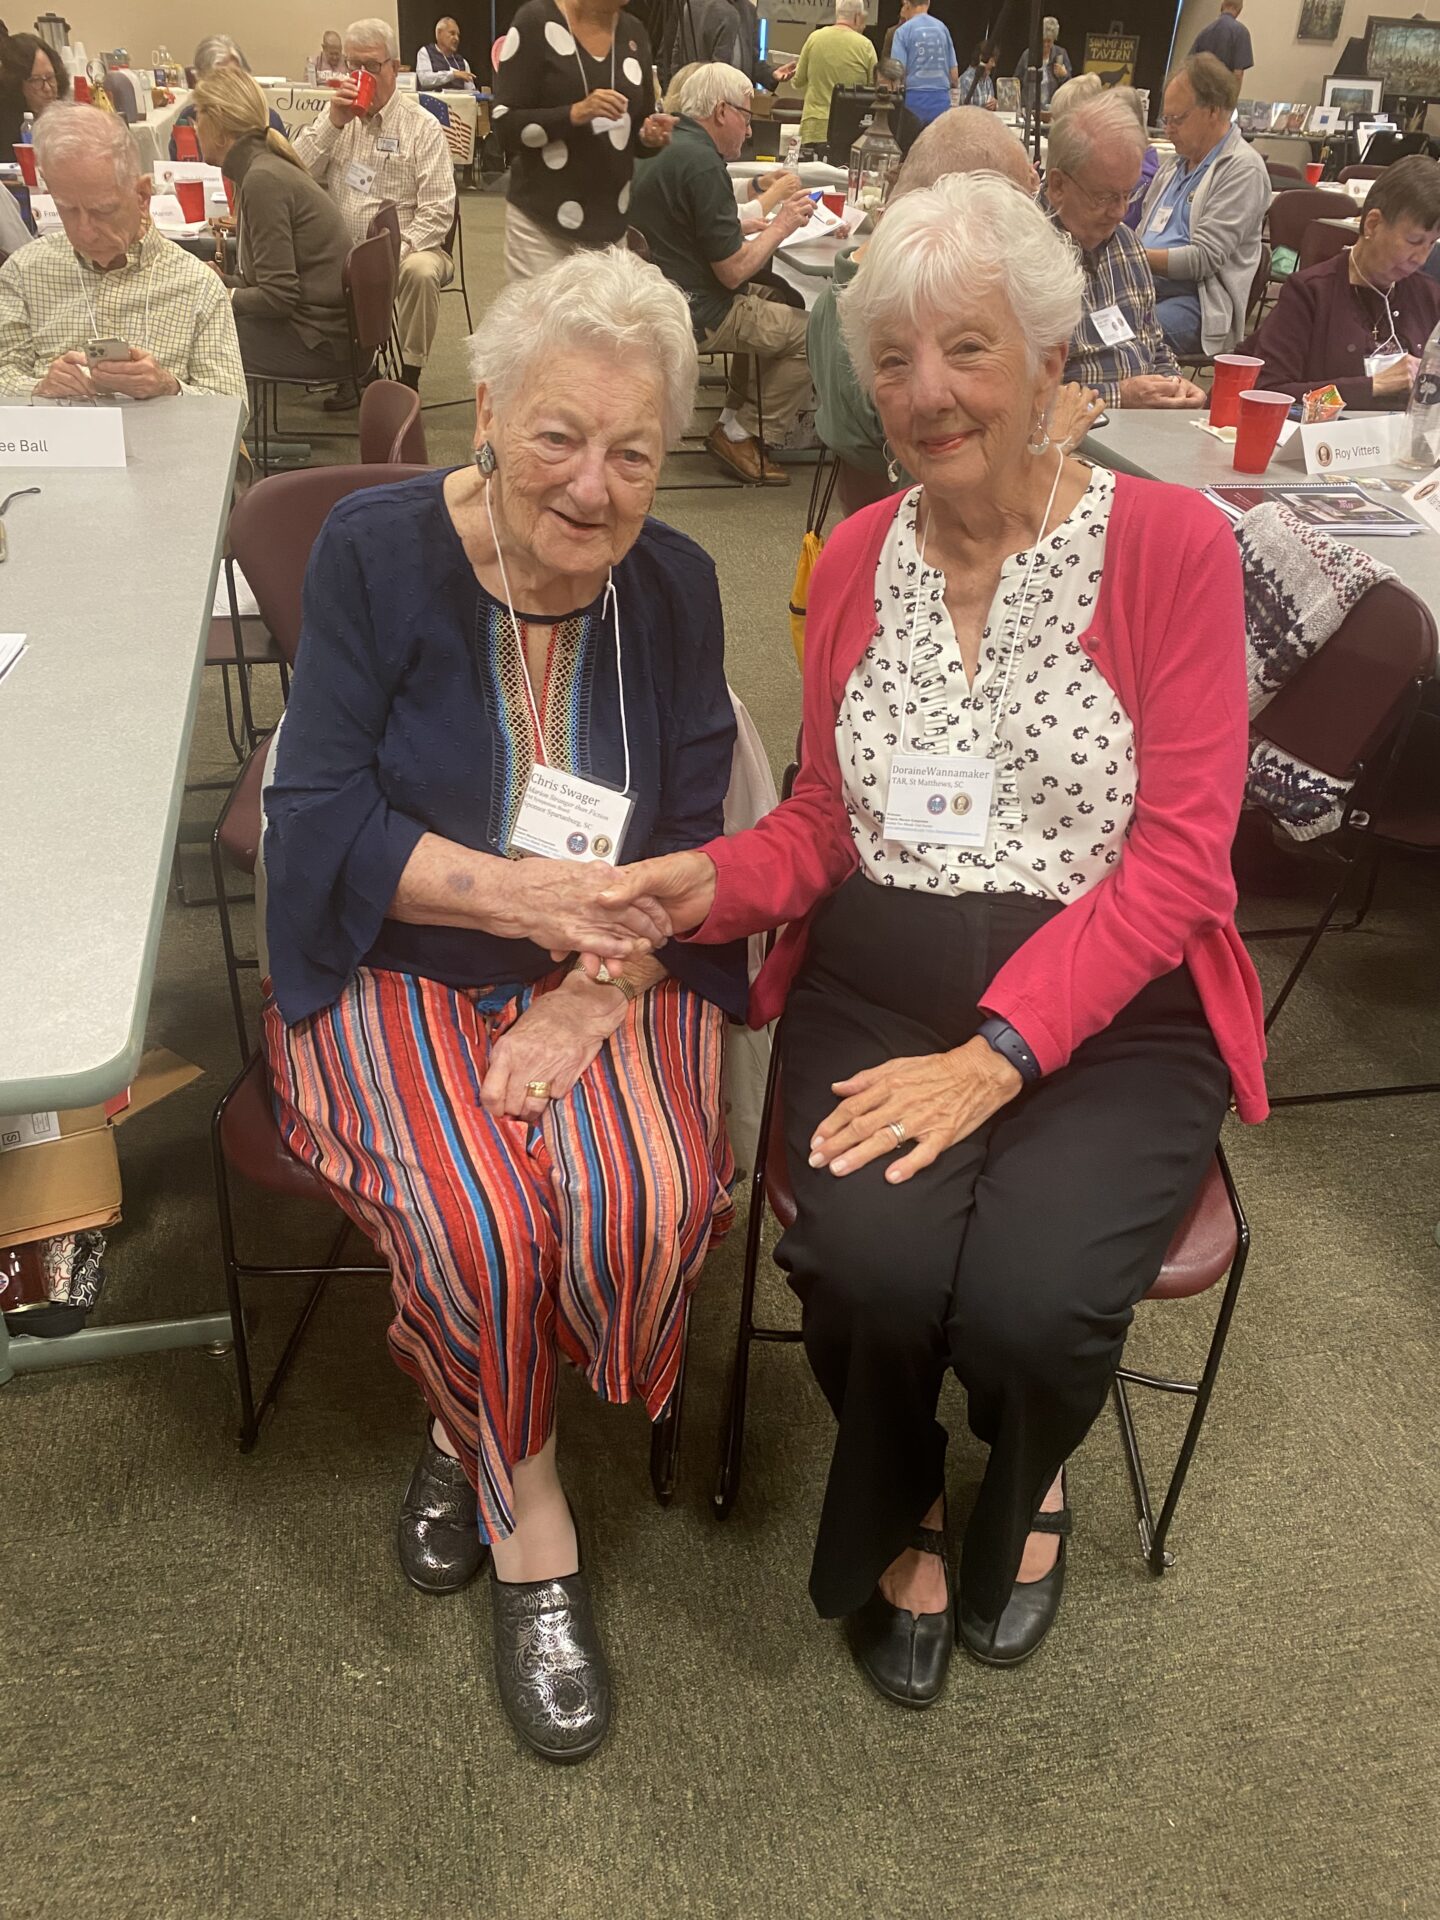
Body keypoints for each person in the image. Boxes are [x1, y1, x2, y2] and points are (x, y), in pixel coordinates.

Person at [599, 170, 1265, 1708]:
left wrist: (1000, 1054)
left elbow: (1181, 863)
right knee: (868, 1265)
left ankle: (1028, 1478)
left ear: (1050, 359)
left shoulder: (1172, 549)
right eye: (893, 358)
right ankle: (902, 1500)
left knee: (1033, 1302)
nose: (926, 392)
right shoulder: (852, 560)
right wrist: (703, 882)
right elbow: (826, 819)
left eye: (968, 348)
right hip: (881, 977)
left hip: (1114, 997)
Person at [261, 245, 744, 1764]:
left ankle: (453, 1414)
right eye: (557, 435)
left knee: (643, 1200)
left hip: (607, 966)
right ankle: (532, 1515)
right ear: (486, 413)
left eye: (633, 453)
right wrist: (517, 901)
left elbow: (689, 842)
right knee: (482, 1224)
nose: (592, 487)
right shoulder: (374, 551)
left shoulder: (677, 583)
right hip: (400, 955)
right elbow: (319, 814)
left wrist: (596, 995)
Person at [808, 109, 1105, 506]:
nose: (1031, 231)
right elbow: (945, 490)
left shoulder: (832, 300)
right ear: (957, 203)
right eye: (1016, 212)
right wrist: (1050, 443)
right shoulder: (895, 312)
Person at [631, 62, 815, 484]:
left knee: (777, 296)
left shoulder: (665, 142)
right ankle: (741, 432)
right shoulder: (701, 162)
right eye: (746, 118)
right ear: (721, 111)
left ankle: (732, 417)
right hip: (697, 310)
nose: (749, 131)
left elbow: (683, 223)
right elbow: (733, 273)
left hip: (658, 293)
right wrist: (783, 224)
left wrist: (739, 227)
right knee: (816, 334)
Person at [0, 101, 246, 403]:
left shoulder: (197, 285)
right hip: (51, 431)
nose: (85, 231)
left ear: (142, 196)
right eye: (67, 210)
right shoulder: (23, 273)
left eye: (103, 211)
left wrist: (170, 387)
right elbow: (5, 371)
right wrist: (38, 389)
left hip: (161, 433)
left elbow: (232, 405)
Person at [293, 17, 456, 398]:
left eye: (371, 66)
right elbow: (294, 173)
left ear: (394, 68)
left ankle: (408, 377)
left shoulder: (422, 127)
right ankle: (351, 364)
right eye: (354, 65)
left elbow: (438, 210)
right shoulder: (337, 119)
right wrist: (332, 124)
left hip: (407, 246)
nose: (361, 75)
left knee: (420, 272)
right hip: (342, 247)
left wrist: (394, 252)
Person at [1045, 89, 1206, 409]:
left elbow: (1154, 347)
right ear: (1058, 185)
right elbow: (1019, 397)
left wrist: (1174, 383)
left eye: (1128, 195)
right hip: (1072, 429)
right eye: (1104, 197)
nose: (1120, 212)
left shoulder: (1127, 246)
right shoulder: (1019, 255)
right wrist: (1121, 396)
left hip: (1144, 421)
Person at [193, 67, 353, 384]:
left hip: (319, 342)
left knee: (192, 332)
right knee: (197, 322)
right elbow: (269, 283)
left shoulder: (261, 179)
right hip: (324, 331)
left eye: (198, 117)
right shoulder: (262, 166)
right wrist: (224, 283)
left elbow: (278, 297)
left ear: (220, 128)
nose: (195, 128)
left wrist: (224, 293)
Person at [492, 0, 672, 280]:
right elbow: (505, 125)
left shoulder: (635, 32)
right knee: (542, 310)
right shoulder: (535, 22)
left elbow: (637, 125)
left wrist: (650, 137)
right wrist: (575, 113)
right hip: (541, 226)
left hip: (610, 228)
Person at [1240, 155, 1440, 408]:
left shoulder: (1428, 294)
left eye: (1431, 244)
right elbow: (1271, 392)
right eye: (1414, 241)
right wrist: (1374, 385)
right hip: (1325, 432)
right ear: (1373, 224)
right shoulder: (1311, 293)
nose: (1421, 258)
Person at [1138, 53, 1267, 356]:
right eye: (1166, 120)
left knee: (1124, 333)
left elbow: (1204, 259)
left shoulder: (1242, 169)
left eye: (1177, 119)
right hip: (1147, 287)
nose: (1168, 129)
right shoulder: (1174, 166)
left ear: (1213, 110)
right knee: (1078, 317)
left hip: (1198, 303)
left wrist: (1134, 256)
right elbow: (1143, 229)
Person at [172, 36, 286, 156]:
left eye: (235, 77)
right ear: (199, 80)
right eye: (219, 80)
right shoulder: (187, 119)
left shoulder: (268, 120)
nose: (228, 87)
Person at [793, 0, 877, 154]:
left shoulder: (814, 38)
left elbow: (798, 81)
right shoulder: (865, 46)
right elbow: (874, 89)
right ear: (858, 17)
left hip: (814, 127)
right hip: (849, 129)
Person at [0, 32, 68, 155]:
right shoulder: (5, 127)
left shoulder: (64, 117)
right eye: (36, 80)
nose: (47, 88)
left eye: (50, 77)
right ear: (16, 85)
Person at [892, 0, 957, 128]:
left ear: (907, 4)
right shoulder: (943, 29)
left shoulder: (902, 31)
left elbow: (897, 74)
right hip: (941, 102)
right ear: (928, 3)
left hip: (913, 102)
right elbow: (954, 76)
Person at [1013, 15, 1070, 111]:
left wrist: (1064, 75)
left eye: (1049, 41)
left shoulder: (1061, 54)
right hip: (1028, 107)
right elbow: (1016, 81)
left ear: (1054, 39)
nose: (1045, 45)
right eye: (1043, 41)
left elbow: (1070, 87)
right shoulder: (1028, 54)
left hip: (1051, 108)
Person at [1190, 0, 1253, 83]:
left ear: (1222, 6)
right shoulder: (1241, 32)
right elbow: (1238, 74)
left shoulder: (1205, 31)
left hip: (1202, 87)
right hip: (1224, 88)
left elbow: (1189, 65)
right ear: (1239, 10)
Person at [416, 17, 475, 88]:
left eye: (458, 35)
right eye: (452, 33)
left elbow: (471, 89)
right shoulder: (425, 52)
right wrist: (453, 74)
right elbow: (424, 80)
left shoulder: (463, 62)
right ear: (439, 33)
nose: (457, 38)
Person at [957, 40, 999, 109]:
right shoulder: (965, 81)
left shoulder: (988, 80)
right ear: (981, 59)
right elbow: (964, 110)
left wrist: (995, 104)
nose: (994, 65)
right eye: (992, 61)